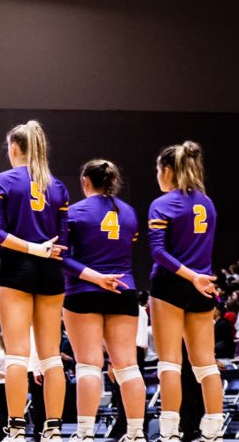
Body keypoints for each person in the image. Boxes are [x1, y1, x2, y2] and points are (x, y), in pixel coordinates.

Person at [0, 121, 71, 442]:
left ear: (15, 148)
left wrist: (31, 246)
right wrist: (44, 248)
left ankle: (17, 429)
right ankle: (54, 429)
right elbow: (64, 240)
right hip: (51, 272)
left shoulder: (3, 180)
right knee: (50, 355)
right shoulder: (58, 186)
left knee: (18, 354)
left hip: (17, 269)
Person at [56, 160, 145, 442]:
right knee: (128, 365)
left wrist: (94, 277)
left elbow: (62, 256)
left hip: (83, 292)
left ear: (85, 181)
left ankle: (84, 434)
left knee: (89, 365)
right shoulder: (129, 213)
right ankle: (136, 433)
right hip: (123, 289)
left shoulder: (73, 213)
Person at [146, 142, 224, 442]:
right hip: (202, 285)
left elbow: (158, 252)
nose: (157, 175)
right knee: (205, 363)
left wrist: (189, 276)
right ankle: (213, 432)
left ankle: (169, 434)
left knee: (169, 363)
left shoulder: (162, 204)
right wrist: (198, 277)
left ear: (167, 170)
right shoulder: (207, 202)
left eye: (157, 169)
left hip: (171, 285)